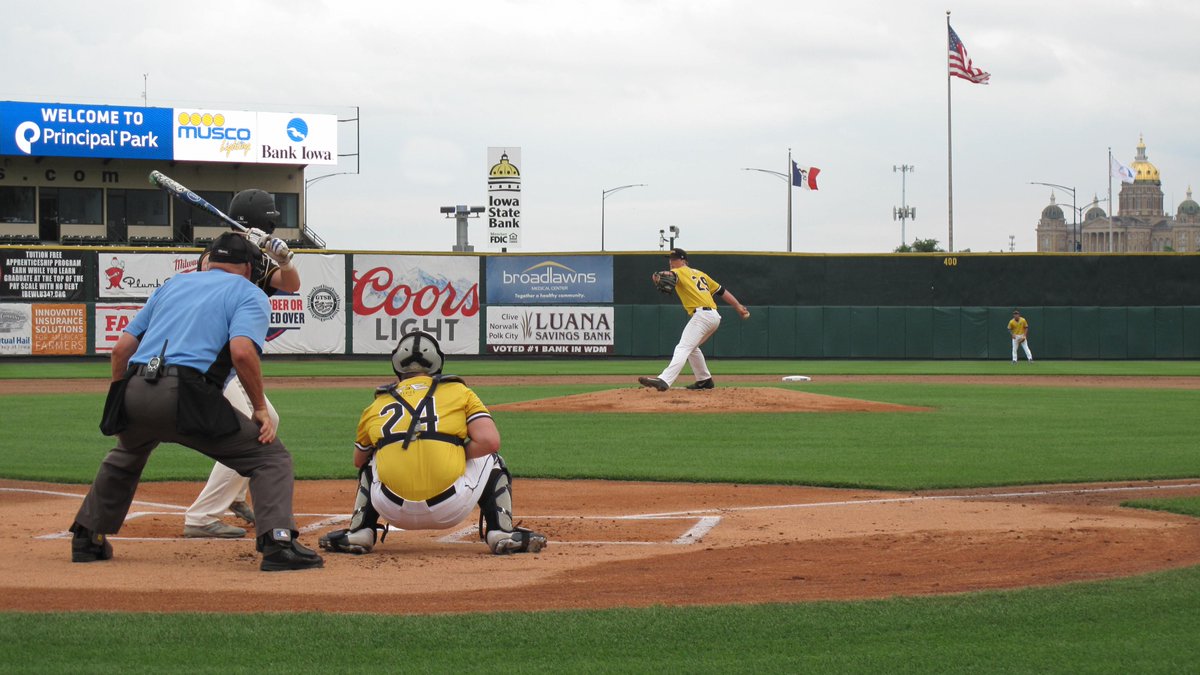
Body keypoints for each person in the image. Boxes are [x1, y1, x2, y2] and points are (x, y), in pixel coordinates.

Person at [69, 231, 322, 572]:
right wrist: (260, 407)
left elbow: (121, 350)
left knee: (126, 455)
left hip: (136, 386)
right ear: (249, 267)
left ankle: (87, 538)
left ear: (209, 261)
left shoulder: (173, 285)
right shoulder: (248, 292)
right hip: (187, 392)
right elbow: (243, 352)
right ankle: (278, 543)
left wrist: (121, 398)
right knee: (269, 458)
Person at [318, 331, 547, 556]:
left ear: (397, 364)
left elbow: (358, 461)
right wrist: (455, 451)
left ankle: (360, 531)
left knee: (372, 456)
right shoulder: (458, 391)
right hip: (450, 508)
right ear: (437, 363)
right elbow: (490, 441)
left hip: (391, 509)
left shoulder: (378, 403)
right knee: (491, 457)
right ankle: (501, 532)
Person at [183, 189, 298, 538]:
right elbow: (217, 273)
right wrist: (253, 248)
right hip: (210, 358)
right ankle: (201, 517)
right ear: (263, 219)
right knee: (256, 427)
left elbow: (291, 285)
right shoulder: (217, 253)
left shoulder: (258, 255)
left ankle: (232, 495)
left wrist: (284, 260)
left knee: (268, 421)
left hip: (224, 361)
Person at [638, 248, 750, 391]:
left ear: (684, 260)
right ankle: (704, 380)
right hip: (714, 317)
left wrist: (657, 276)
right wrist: (738, 306)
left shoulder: (679, 271)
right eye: (670, 259)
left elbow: (669, 275)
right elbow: (722, 291)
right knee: (692, 348)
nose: (671, 262)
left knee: (683, 347)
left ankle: (664, 380)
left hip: (702, 316)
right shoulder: (700, 274)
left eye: (674, 258)